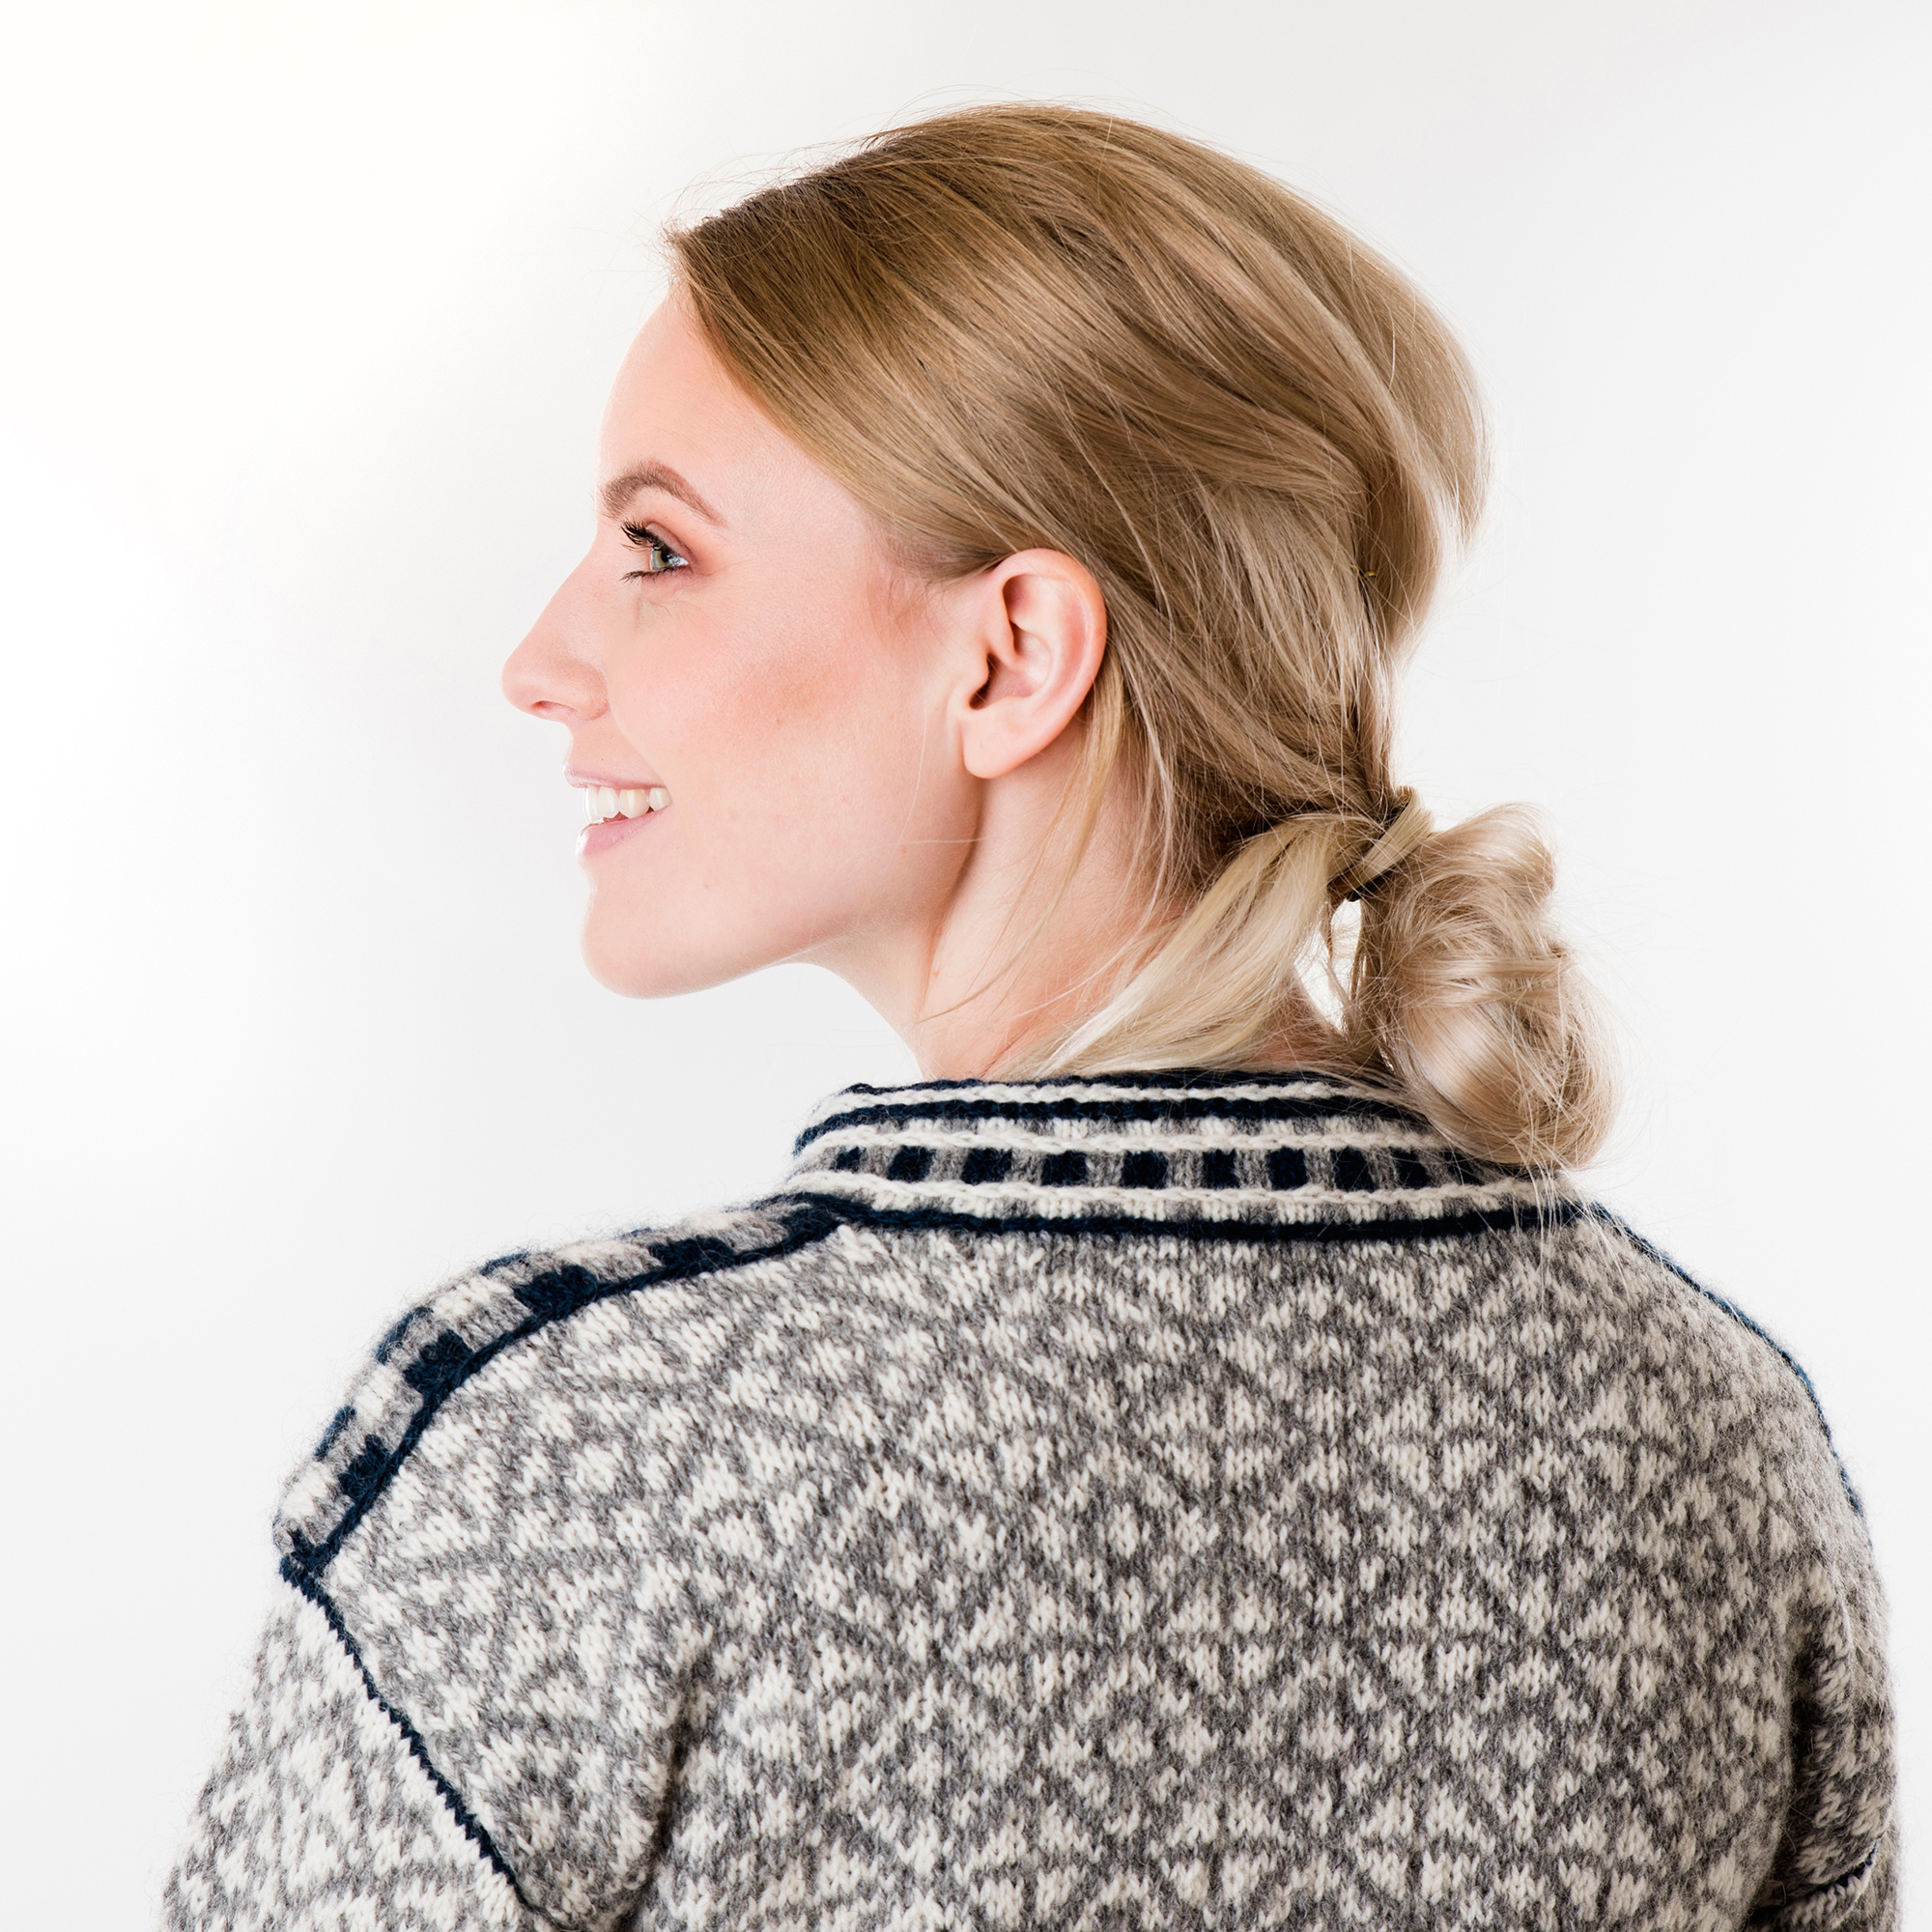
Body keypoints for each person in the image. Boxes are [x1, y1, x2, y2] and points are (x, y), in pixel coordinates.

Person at [159, 103, 1894, 1930]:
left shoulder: (586, 1453)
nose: (541, 661)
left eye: (657, 550)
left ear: (1013, 657)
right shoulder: (1709, 1431)